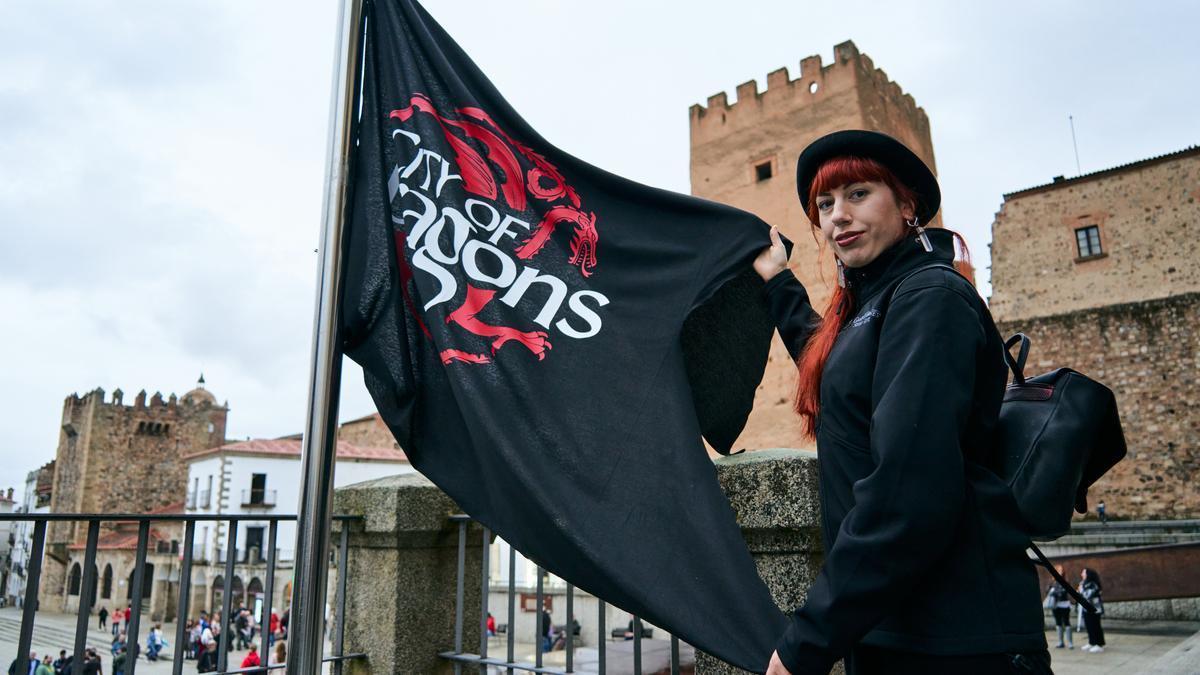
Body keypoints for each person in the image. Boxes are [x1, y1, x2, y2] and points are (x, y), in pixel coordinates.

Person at [756, 130, 1050, 675]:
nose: (838, 216)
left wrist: (806, 643)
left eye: (859, 194)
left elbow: (907, 491)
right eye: (825, 204)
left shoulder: (928, 296)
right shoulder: (878, 302)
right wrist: (776, 281)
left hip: (955, 638)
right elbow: (835, 370)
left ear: (907, 204)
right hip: (897, 628)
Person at [1045, 568, 1074, 649]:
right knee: (1058, 623)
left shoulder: (1065, 582)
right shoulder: (1052, 582)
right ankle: (1060, 642)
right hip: (1055, 605)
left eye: (1060, 571)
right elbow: (1047, 591)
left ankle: (1070, 642)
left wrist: (1054, 592)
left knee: (1066, 622)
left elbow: (1063, 593)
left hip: (1064, 604)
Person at [1080, 568, 1106, 653]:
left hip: (1095, 609)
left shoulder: (1093, 584)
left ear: (1088, 574)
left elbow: (1088, 595)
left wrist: (1081, 590)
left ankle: (1099, 644)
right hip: (1086, 609)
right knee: (1089, 626)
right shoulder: (1083, 583)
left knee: (1095, 626)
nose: (1082, 574)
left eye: (1083, 573)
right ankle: (1091, 642)